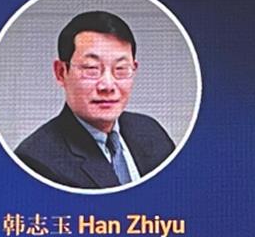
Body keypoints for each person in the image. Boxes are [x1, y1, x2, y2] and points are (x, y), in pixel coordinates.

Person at [15, 11, 176, 189]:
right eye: (91, 68)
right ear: (61, 72)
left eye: (121, 68)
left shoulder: (151, 132)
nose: (107, 85)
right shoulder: (37, 161)